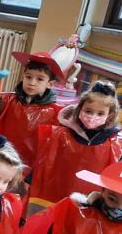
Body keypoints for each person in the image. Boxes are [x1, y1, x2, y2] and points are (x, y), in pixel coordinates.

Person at [26, 81, 121, 216]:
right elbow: (44, 160)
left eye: (100, 113)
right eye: (88, 111)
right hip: (55, 192)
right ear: (79, 109)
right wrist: (30, 179)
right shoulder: (61, 133)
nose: (92, 117)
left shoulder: (116, 143)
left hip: (90, 201)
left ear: (109, 116)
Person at [0, 51, 63, 169]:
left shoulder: (54, 111)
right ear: (23, 77)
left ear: (50, 84)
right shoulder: (9, 99)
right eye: (28, 77)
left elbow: (51, 144)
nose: (32, 83)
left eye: (40, 79)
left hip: (30, 161)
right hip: (5, 153)